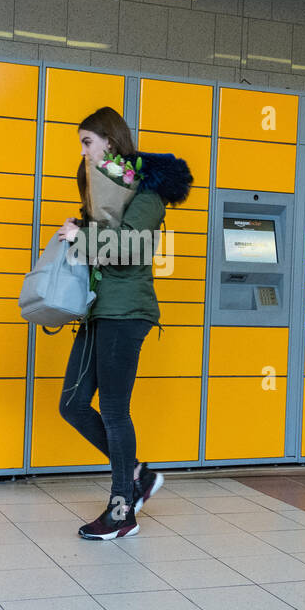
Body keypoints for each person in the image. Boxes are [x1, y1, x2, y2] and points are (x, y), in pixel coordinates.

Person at [56, 106, 192, 540]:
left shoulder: (147, 193)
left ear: (110, 142)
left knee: (115, 411)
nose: (83, 152)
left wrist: (83, 237)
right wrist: (79, 232)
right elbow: (98, 251)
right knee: (72, 405)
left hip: (126, 312)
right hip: (98, 310)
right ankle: (137, 475)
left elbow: (130, 248)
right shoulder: (102, 191)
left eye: (87, 142)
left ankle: (122, 511)